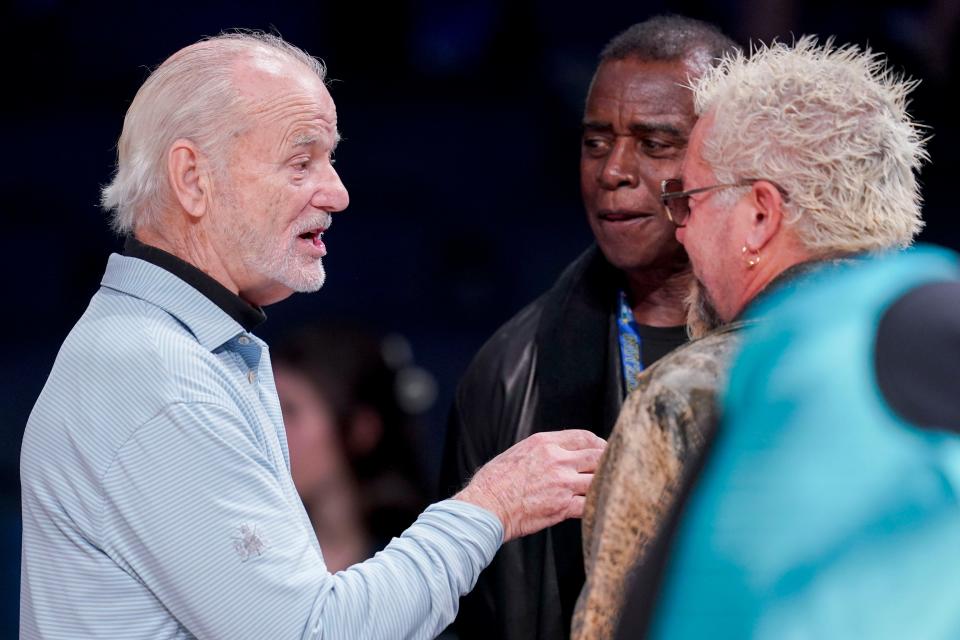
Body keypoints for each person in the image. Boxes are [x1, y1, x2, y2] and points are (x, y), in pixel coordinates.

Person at [19, 32, 606, 640]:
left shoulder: (168, 352)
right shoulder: (159, 378)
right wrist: (490, 506)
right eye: (301, 163)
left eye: (330, 160)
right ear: (193, 178)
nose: (338, 193)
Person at [577, 36, 928, 639]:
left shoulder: (691, 393)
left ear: (761, 216)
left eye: (688, 201)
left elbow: (611, 628)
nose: (680, 233)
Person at [438, 16, 739, 640]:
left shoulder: (798, 348)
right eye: (596, 141)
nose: (612, 171)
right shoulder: (509, 372)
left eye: (655, 144)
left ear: (725, 155)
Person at [272, 324, 431, 572]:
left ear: (361, 429)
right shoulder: (253, 554)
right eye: (267, 408)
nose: (272, 428)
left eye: (289, 411)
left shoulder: (416, 564)